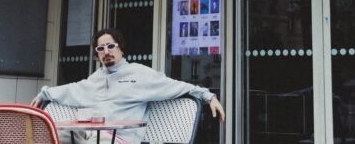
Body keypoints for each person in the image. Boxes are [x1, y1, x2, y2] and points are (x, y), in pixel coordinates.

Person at [31, 28, 225, 144]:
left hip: (119, 139)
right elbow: (73, 89)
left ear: (121, 48)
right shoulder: (95, 79)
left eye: (111, 46)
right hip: (90, 137)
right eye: (100, 48)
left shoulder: (138, 74)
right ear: (97, 54)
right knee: (52, 137)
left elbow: (174, 86)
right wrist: (44, 93)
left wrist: (208, 96)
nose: (106, 51)